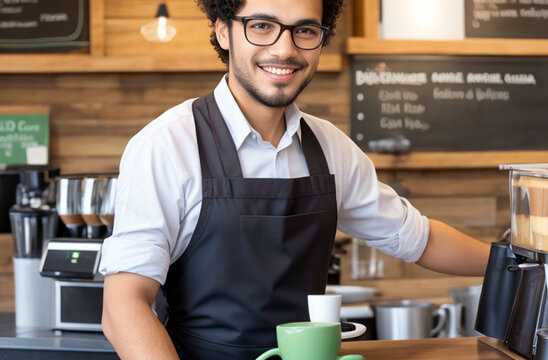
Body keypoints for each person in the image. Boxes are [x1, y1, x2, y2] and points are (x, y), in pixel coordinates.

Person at [99, 0, 491, 359]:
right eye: (262, 26)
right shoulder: (167, 145)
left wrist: (525, 263)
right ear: (223, 30)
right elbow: (124, 307)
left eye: (305, 31)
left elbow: (418, 239)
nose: (285, 50)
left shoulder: (331, 147)